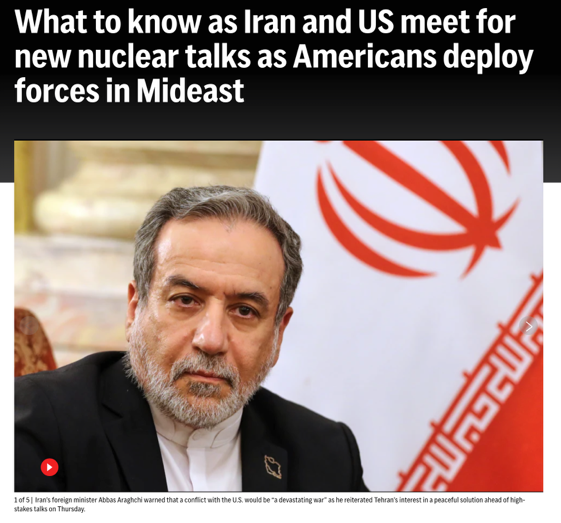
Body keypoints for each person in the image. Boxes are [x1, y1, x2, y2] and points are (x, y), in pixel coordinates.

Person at [15, 186, 368, 492]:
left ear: (278, 332)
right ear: (135, 309)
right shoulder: (36, 426)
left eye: (244, 311)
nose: (211, 340)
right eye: (185, 300)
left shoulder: (328, 456)